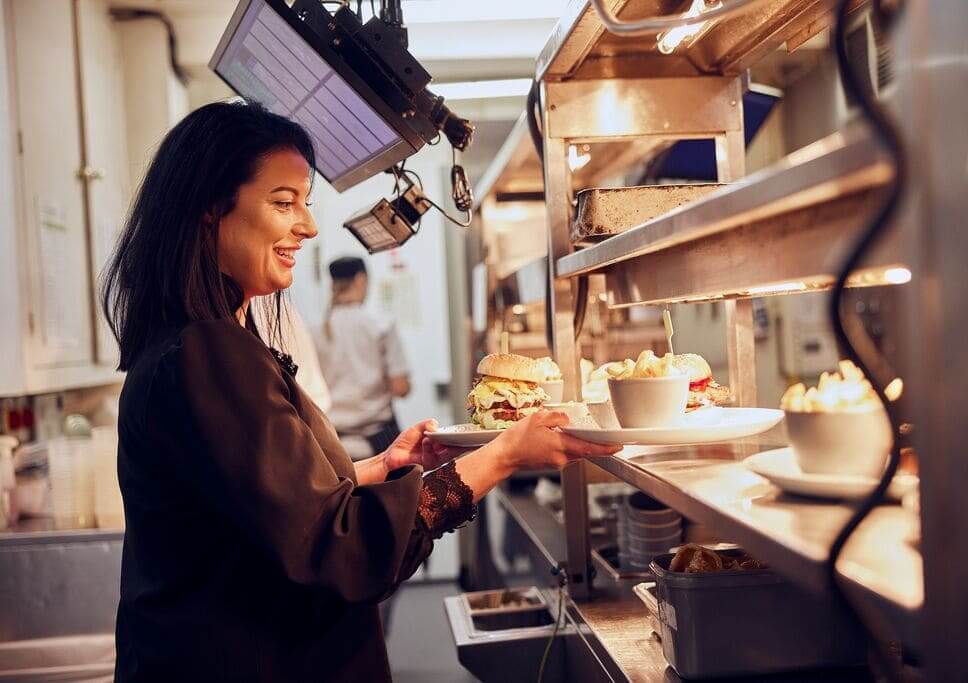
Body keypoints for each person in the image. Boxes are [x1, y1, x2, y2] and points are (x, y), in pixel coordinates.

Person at [101, 101, 621, 682]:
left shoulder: (189, 343)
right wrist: (502, 456)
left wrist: (375, 468)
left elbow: (260, 505)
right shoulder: (207, 351)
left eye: (306, 202)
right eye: (283, 202)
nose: (308, 225)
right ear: (208, 211)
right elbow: (341, 549)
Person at [316, 257, 408, 461]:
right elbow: (400, 388)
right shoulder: (380, 324)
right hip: (380, 442)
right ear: (361, 279)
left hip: (333, 444)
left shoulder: (314, 330)